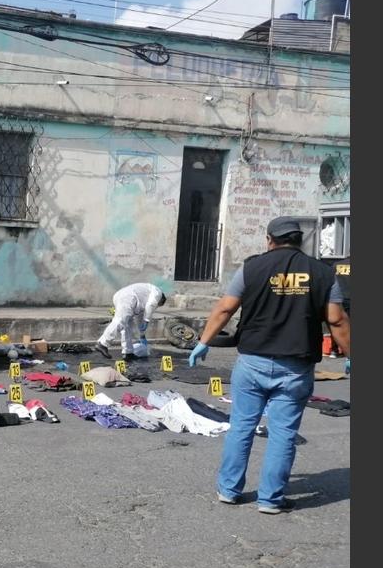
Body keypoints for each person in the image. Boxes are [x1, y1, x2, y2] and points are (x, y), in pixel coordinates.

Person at [188, 216, 350, 514]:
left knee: (241, 427)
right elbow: (337, 319)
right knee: (282, 434)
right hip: (295, 367)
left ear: (269, 239)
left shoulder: (252, 268)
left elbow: (225, 308)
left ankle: (229, 490)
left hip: (252, 363)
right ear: (300, 241)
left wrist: (204, 341)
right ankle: (270, 500)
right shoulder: (323, 273)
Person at [94, 283, 167, 361]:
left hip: (125, 297)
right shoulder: (157, 293)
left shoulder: (146, 297)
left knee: (127, 326)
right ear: (161, 300)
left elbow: (140, 318)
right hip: (128, 298)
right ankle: (103, 343)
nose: (156, 306)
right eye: (158, 305)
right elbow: (151, 305)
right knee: (120, 321)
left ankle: (128, 353)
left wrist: (142, 334)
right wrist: (147, 320)